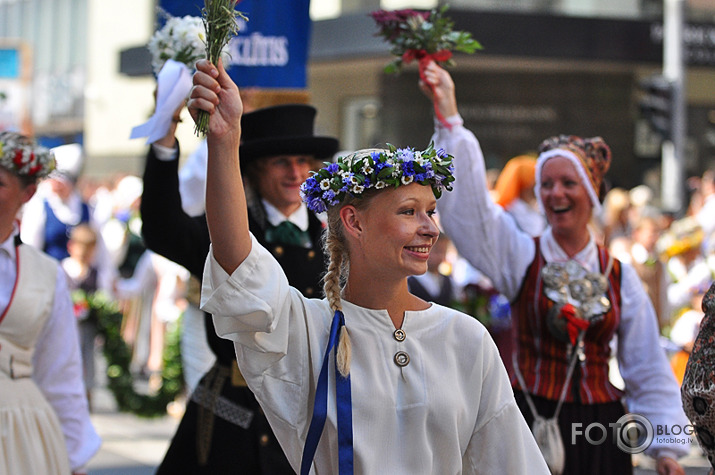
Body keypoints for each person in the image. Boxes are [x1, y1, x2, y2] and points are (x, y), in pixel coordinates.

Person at [188, 58, 548, 474]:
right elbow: (239, 266)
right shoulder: (309, 328)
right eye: (409, 212)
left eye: (431, 211)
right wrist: (225, 140)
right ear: (354, 222)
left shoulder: (466, 338)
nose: (430, 228)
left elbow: (510, 460)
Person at [419, 61, 689, 475]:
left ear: (592, 193)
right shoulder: (520, 254)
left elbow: (646, 364)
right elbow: (470, 212)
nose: (555, 193)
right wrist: (449, 117)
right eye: (546, 184)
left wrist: (666, 449)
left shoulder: (618, 274)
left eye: (568, 183)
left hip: (600, 430)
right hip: (527, 423)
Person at [141, 85, 338, 472]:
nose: (295, 173)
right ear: (255, 168)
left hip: (311, 411)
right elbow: (163, 228)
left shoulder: (339, 241)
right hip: (235, 416)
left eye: (303, 161)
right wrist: (165, 137)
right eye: (282, 161)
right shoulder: (227, 236)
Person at [0, 131, 101, 474]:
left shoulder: (44, 274)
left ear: (27, 193)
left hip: (16, 427)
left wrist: (74, 458)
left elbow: (61, 372)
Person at [20, 142, 116, 294]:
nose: (56, 187)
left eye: (61, 183)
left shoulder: (86, 208)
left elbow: (100, 248)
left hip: (83, 285)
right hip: (48, 284)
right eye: (54, 182)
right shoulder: (40, 207)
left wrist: (107, 280)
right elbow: (30, 248)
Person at [61, 223, 102, 409]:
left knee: (88, 356)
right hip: (66, 324)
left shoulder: (95, 272)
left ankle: (88, 391)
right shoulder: (64, 269)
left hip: (87, 325)